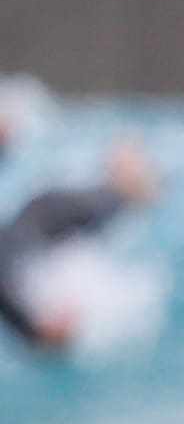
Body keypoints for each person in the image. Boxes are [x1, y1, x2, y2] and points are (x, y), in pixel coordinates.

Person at [0, 136, 156, 359]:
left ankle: (130, 173)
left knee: (115, 199)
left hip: (42, 221)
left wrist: (34, 325)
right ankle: (131, 173)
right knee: (116, 199)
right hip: (43, 221)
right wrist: (36, 325)